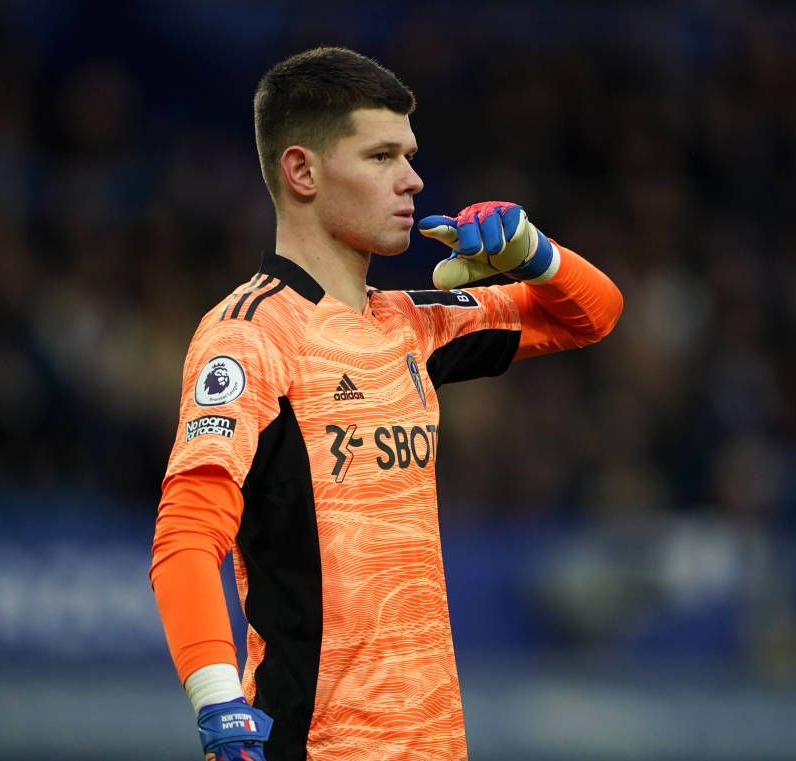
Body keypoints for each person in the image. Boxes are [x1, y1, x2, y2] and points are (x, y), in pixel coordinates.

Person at [150, 46, 623, 761]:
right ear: (302, 170)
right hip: (314, 744)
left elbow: (592, 314)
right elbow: (186, 537)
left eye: (409, 155)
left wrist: (535, 252)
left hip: (433, 743)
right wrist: (220, 704)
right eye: (381, 157)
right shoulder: (250, 336)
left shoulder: (412, 322)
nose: (413, 179)